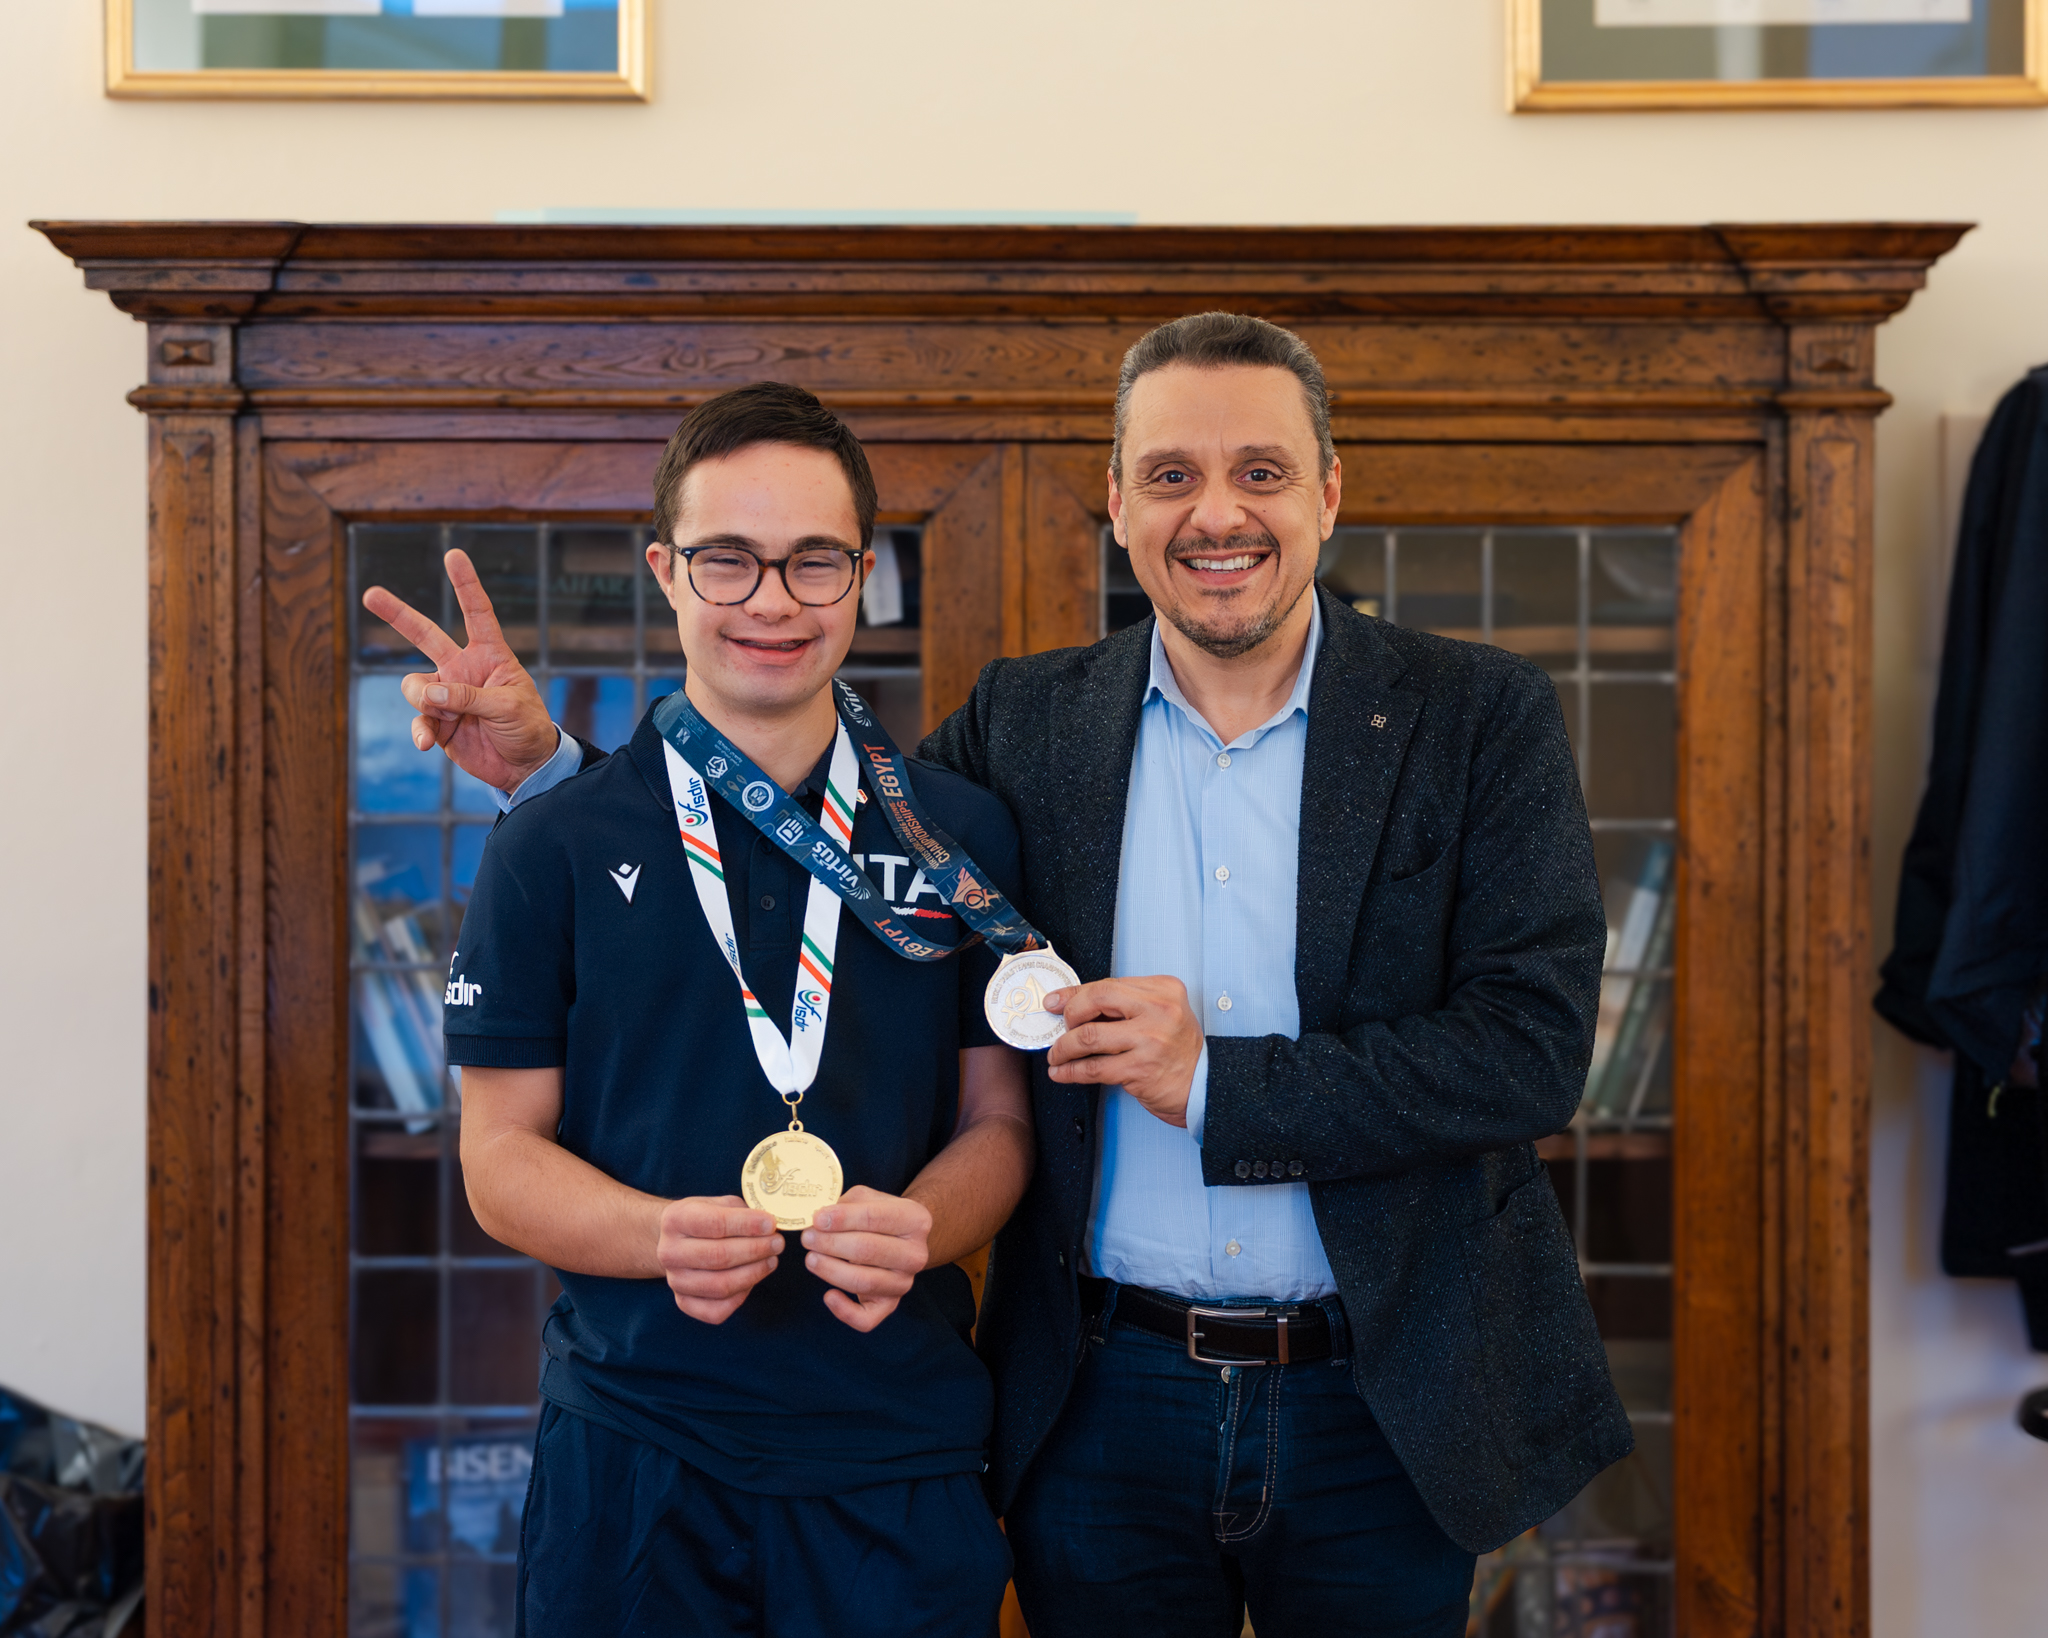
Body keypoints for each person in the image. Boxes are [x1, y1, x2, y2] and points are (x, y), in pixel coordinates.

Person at [373, 315, 1632, 1638]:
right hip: (1101, 1392)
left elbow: (1534, 1049)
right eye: (1170, 474)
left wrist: (1218, 1082)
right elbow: (783, 816)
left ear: (1326, 492)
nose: (1216, 514)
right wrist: (559, 785)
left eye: (1259, 472)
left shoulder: (1478, 716)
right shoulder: (1025, 729)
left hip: (1386, 1384)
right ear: (1118, 503)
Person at [381, 382, 1031, 1636]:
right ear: (666, 573)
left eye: (813, 561)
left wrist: (923, 1226)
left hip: (897, 1453)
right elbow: (498, 1155)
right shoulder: (551, 841)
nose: (770, 601)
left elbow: (997, 1120)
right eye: (726, 558)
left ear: (862, 577)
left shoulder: (955, 835)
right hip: (635, 1451)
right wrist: (657, 1236)